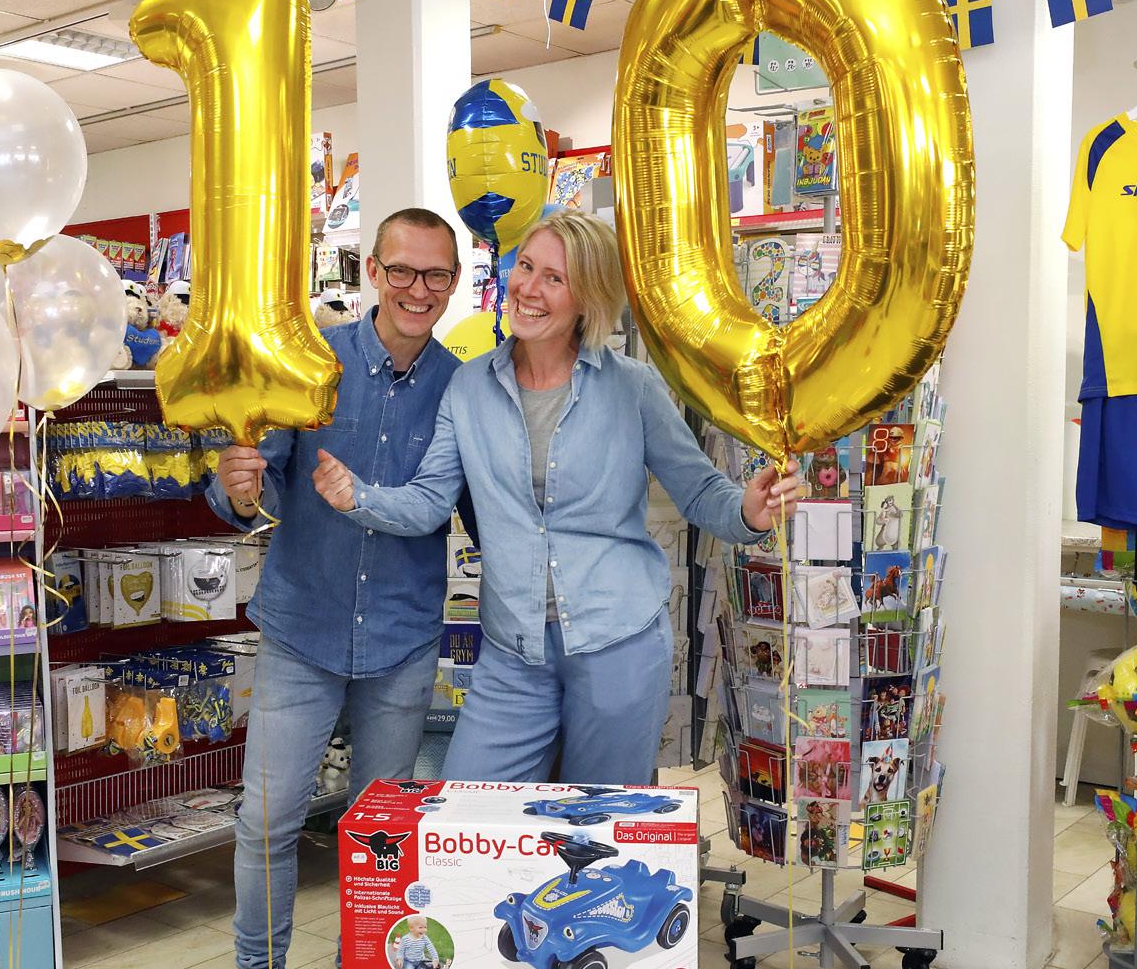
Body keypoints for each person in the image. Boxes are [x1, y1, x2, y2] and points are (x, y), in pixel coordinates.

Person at [314, 211, 800, 783]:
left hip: (617, 644)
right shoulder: (469, 388)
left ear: (586, 299)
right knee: (472, 802)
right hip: (512, 653)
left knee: (601, 820)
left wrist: (748, 510)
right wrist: (359, 497)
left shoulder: (632, 386)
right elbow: (429, 500)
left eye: (555, 278)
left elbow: (700, 490)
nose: (529, 288)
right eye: (525, 267)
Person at [200, 207, 469, 969]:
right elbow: (247, 487)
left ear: (454, 283)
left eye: (436, 275)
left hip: (399, 640)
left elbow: (479, 507)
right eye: (403, 271)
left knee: (377, 833)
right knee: (265, 820)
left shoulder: (464, 388)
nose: (418, 290)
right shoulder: (310, 364)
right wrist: (235, 488)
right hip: (302, 631)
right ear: (373, 273)